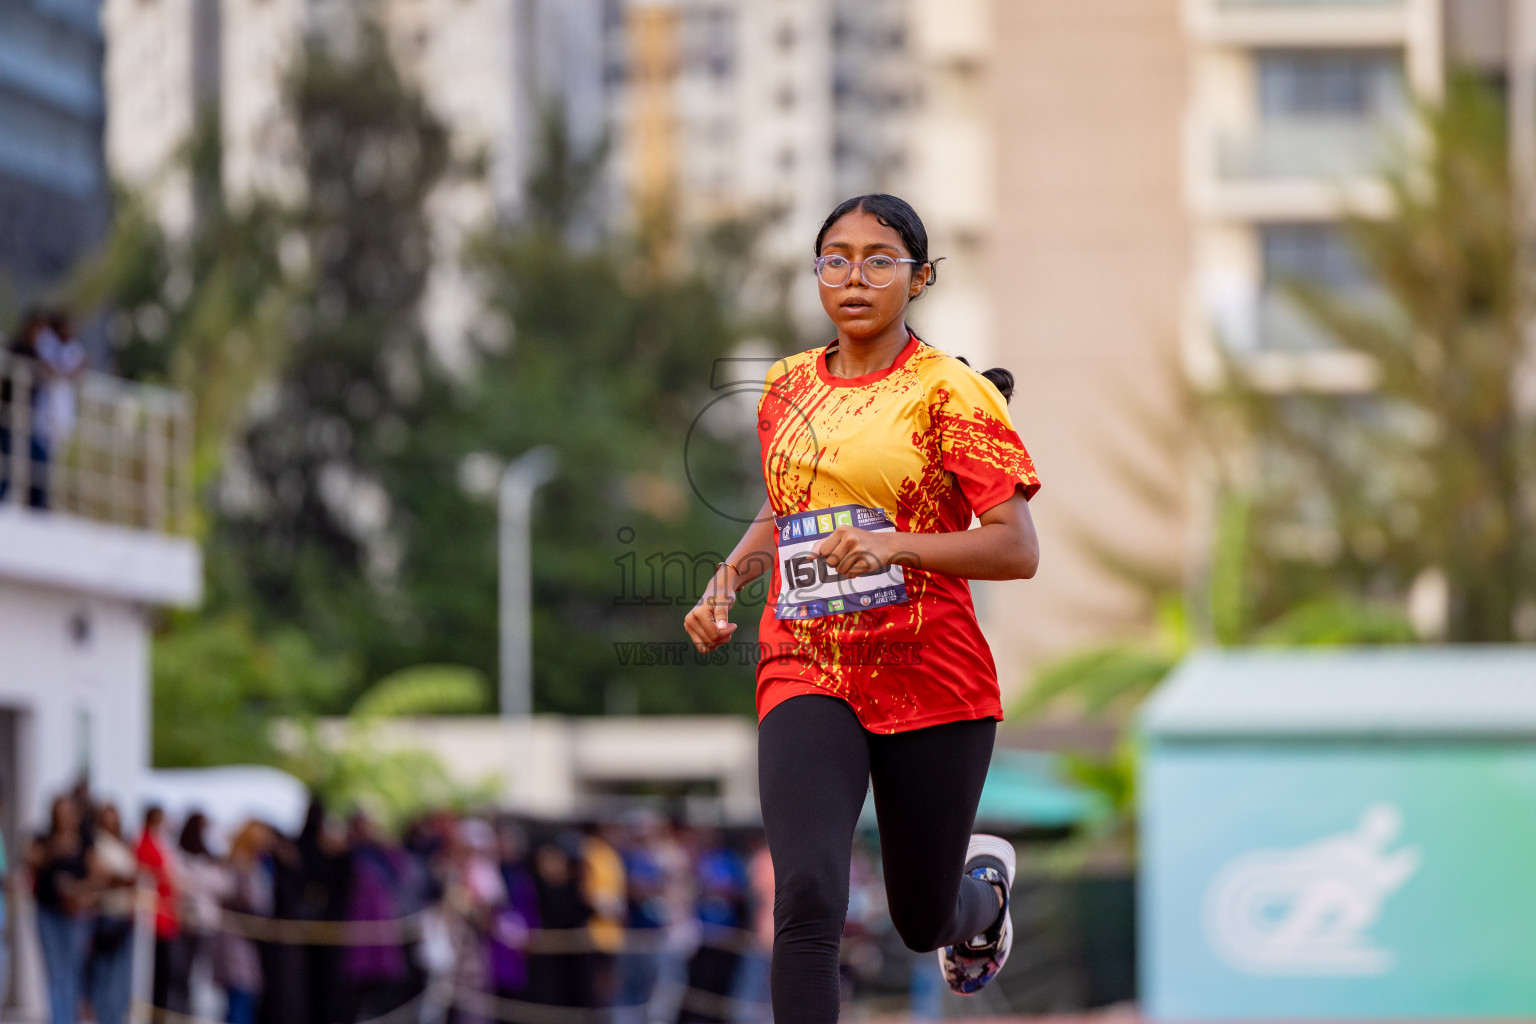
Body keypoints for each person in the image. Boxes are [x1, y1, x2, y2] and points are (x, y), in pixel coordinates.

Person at [683, 193, 1041, 1023]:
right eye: (835, 258)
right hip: (808, 663)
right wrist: (726, 578)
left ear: (918, 279)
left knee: (922, 922)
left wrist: (899, 545)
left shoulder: (952, 393)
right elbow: (790, 510)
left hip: (931, 676)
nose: (855, 275)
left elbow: (1016, 549)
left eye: (880, 259)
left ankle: (979, 900)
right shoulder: (784, 388)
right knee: (807, 891)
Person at [30, 795, 93, 1024]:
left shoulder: (85, 840)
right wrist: (55, 848)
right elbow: (31, 860)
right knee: (56, 972)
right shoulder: (44, 838)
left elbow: (95, 874)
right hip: (48, 912)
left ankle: (70, 1018)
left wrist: (77, 890)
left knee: (73, 971)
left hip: (76, 914)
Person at [87, 803, 139, 1024]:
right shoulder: (96, 843)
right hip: (105, 916)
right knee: (104, 975)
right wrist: (122, 878)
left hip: (124, 915)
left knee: (120, 979)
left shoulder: (121, 844)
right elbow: (102, 876)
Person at [137, 805, 187, 1017]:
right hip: (156, 917)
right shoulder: (146, 843)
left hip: (166, 916)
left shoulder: (160, 843)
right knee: (159, 972)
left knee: (167, 973)